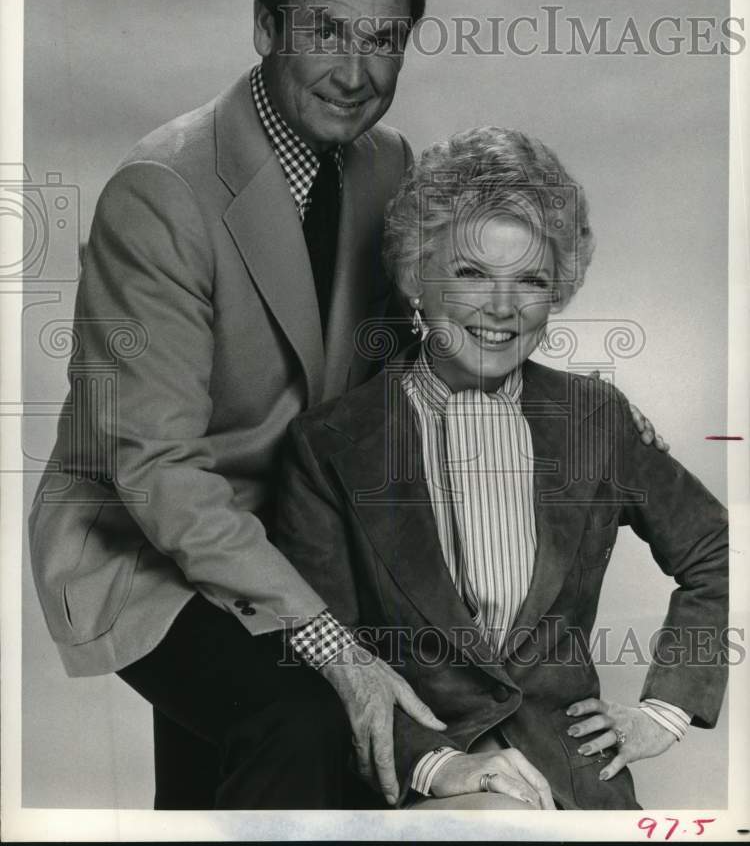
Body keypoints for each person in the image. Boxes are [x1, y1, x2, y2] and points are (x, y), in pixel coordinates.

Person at [28, 0, 665, 810]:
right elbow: (156, 469)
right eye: (328, 31)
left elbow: (425, 356)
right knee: (298, 717)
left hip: (308, 521)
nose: (357, 73)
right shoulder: (159, 193)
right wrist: (336, 646)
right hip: (146, 541)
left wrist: (568, 409)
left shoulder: (386, 164)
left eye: (385, 39)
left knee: (357, 719)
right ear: (265, 27)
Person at [273, 126, 728, 810]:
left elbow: (719, 550)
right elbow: (325, 658)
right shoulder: (330, 444)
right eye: (471, 273)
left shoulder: (595, 419)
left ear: (558, 292)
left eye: (531, 280)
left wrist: (666, 709)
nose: (503, 308)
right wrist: (436, 767)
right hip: (422, 783)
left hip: (578, 788)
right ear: (415, 278)